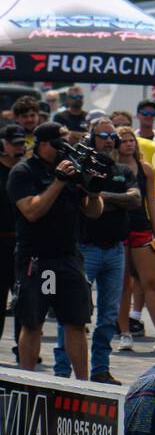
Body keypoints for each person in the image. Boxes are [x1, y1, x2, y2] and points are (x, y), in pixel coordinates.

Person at [9, 123, 105, 376]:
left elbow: (93, 213)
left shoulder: (72, 168)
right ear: (42, 145)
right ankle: (27, 379)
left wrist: (93, 193)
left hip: (68, 257)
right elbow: (32, 211)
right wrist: (58, 181)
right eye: (59, 143)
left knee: (76, 322)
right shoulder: (24, 172)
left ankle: (83, 383)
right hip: (37, 258)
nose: (65, 148)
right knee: (33, 322)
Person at [50, 120, 139, 383]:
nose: (110, 140)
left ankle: (100, 368)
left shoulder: (121, 169)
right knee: (71, 312)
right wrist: (115, 198)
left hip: (115, 250)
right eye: (103, 136)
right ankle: (62, 370)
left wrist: (102, 195)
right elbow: (85, 203)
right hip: (86, 248)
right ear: (92, 138)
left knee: (109, 315)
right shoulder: (80, 168)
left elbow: (135, 200)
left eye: (113, 136)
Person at [113, 126, 155, 352]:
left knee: (151, 282)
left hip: (142, 227)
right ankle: (125, 332)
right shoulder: (112, 168)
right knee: (124, 284)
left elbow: (152, 202)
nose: (128, 144)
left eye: (131, 140)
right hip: (119, 229)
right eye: (123, 140)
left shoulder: (145, 169)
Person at [0, 125, 25, 347]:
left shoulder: (27, 170)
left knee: (23, 300)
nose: (19, 148)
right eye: (14, 144)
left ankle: (22, 346)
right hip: (1, 240)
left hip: (22, 240)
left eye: (21, 144)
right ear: (4, 145)